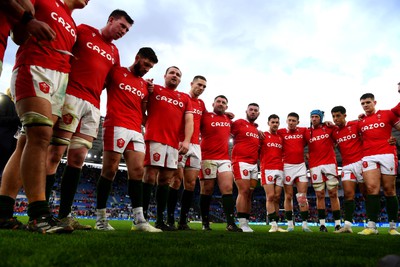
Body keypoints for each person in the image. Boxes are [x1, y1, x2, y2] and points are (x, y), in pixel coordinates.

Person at [0, 0, 88, 234]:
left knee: (26, 142)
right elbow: (18, 33)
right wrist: (30, 23)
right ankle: (38, 215)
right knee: (40, 136)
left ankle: (3, 211)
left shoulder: (71, 23)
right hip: (35, 66)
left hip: (60, 79)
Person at [45, 10, 133, 230]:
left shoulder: (115, 51)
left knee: (77, 160)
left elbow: (110, 80)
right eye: (122, 26)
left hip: (93, 106)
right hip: (71, 96)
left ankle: (64, 215)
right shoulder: (84, 30)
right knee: (55, 154)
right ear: (111, 20)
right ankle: (43, 212)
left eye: (127, 30)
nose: (123, 32)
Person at [93, 47, 160, 232]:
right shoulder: (116, 71)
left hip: (136, 129)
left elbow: (146, 111)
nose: (147, 69)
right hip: (116, 124)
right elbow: (98, 85)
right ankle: (100, 219)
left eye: (150, 67)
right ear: (137, 57)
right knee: (110, 170)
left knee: (138, 171)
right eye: (146, 64)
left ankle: (139, 220)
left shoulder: (145, 86)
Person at [142, 66, 194, 231]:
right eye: (172, 73)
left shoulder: (185, 98)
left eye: (178, 75)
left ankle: (159, 221)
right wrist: (148, 124)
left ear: (180, 80)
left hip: (173, 144)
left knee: (165, 180)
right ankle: (140, 218)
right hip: (154, 138)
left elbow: (189, 121)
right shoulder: (154, 89)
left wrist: (186, 141)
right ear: (164, 75)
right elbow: (140, 107)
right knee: (150, 176)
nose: (175, 76)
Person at [166, 75, 207, 230]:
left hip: (196, 146)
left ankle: (182, 221)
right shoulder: (182, 98)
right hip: (180, 143)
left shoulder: (202, 104)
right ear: (191, 83)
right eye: (199, 85)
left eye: (204, 87)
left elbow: (206, 122)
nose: (201, 88)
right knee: (176, 180)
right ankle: (169, 218)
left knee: (190, 184)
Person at [357, 93, 400, 235]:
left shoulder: (388, 114)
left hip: (387, 153)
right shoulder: (360, 122)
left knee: (389, 189)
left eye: (368, 102)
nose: (365, 105)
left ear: (375, 102)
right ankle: (371, 226)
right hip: (368, 156)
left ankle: (393, 227)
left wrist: (396, 142)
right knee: (371, 188)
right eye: (362, 103)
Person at [199, 95, 242, 232]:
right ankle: (205, 222)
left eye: (224, 103)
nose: (221, 104)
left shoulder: (228, 120)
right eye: (218, 101)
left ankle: (230, 223)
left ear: (226, 107)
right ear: (213, 103)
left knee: (228, 188)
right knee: (207, 189)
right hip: (207, 157)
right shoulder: (204, 116)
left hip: (224, 158)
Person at [330, 106, 366, 234]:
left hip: (361, 163)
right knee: (348, 194)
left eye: (338, 116)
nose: (335, 119)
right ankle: (347, 226)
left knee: (366, 193)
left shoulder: (355, 125)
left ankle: (372, 224)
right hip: (346, 165)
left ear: (345, 115)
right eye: (333, 116)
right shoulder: (334, 132)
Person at [304, 110, 341, 232]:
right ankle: (322, 225)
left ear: (321, 118)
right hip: (315, 166)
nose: (314, 119)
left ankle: (337, 224)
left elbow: (340, 134)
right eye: (312, 117)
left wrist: (331, 124)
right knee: (319, 195)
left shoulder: (329, 128)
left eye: (316, 117)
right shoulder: (307, 132)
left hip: (330, 164)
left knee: (333, 194)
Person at [277, 112, 312, 232]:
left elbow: (313, 138)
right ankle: (290, 224)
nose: (291, 122)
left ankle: (304, 224)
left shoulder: (303, 131)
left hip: (301, 166)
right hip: (287, 167)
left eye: (293, 120)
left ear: (298, 122)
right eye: (289, 120)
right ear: (286, 121)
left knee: (302, 196)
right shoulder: (281, 132)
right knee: (288, 196)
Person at [231, 103, 260, 232]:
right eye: (251, 110)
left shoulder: (256, 129)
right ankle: (242, 223)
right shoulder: (239, 123)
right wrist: (226, 116)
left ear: (258, 113)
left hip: (254, 165)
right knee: (243, 190)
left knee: (249, 193)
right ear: (246, 111)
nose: (253, 112)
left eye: (255, 110)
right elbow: (226, 129)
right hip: (240, 162)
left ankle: (246, 222)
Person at [260, 114, 287, 233]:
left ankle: (276, 224)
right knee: (270, 196)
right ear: (268, 123)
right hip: (267, 169)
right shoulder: (263, 136)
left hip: (280, 169)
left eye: (277, 122)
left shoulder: (281, 138)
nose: (275, 124)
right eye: (273, 122)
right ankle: (273, 224)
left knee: (277, 198)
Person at [0, 89, 20, 178]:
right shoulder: (4, 100)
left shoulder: (17, 105)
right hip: (2, 140)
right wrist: (17, 119)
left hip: (11, 142)